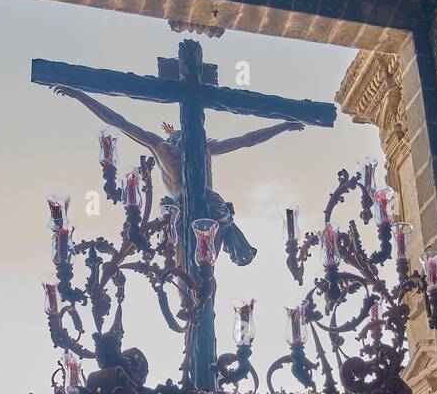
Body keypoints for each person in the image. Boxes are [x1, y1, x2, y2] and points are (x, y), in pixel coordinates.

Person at [52, 82, 305, 266]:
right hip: (185, 209)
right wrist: (80, 95)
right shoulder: (164, 148)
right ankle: (191, 297)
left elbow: (248, 139)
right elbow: (119, 122)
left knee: (205, 268)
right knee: (189, 266)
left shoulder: (201, 147)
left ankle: (198, 295)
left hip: (211, 206)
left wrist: (283, 126)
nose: (183, 140)